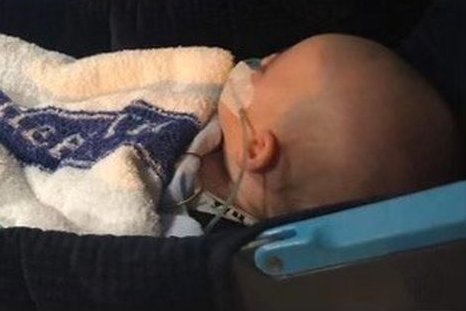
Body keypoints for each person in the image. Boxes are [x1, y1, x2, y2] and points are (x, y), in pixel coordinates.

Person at [195, 34, 463, 222]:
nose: (266, 57)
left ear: (256, 148)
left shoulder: (189, 233)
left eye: (267, 70)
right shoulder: (204, 112)